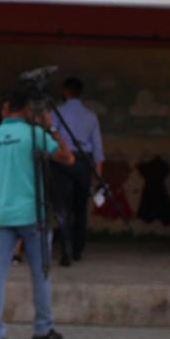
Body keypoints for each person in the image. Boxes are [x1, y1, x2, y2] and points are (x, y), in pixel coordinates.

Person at [0, 86, 75, 339]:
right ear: (26, 110)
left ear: (6, 108)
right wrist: (50, 127)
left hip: (3, 213)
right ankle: (42, 329)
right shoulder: (35, 135)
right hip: (34, 215)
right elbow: (67, 157)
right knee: (40, 274)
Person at [50, 76, 104, 265]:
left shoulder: (57, 112)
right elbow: (98, 148)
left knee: (62, 207)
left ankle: (66, 249)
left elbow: (52, 136)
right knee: (80, 208)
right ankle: (78, 249)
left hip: (63, 159)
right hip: (84, 160)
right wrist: (97, 174)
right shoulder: (91, 116)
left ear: (66, 91)